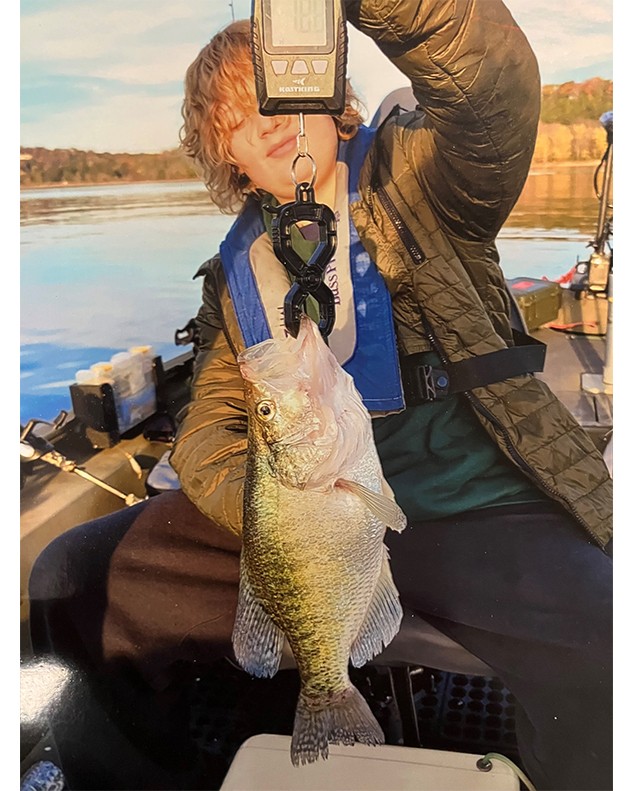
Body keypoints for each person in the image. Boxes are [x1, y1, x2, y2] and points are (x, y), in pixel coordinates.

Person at [28, 1, 613, 789]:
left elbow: (488, 89)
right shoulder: (231, 282)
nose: (267, 120)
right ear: (225, 153)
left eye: (281, 90)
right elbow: (207, 431)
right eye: (236, 115)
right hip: (305, 514)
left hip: (473, 505)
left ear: (335, 102)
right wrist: (276, 516)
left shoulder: (425, 180)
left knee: (610, 637)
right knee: (74, 575)